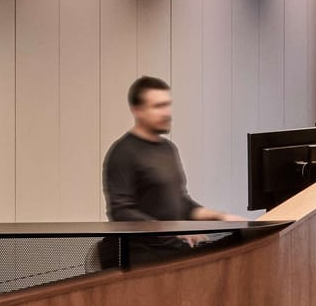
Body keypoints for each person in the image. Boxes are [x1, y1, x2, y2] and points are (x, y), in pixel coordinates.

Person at [102, 75, 245, 263]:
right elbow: (121, 212)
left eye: (167, 105)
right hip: (143, 257)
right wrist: (173, 232)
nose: (166, 112)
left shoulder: (168, 149)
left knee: (238, 241)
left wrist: (221, 217)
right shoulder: (123, 153)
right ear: (137, 110)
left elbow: (182, 203)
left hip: (174, 248)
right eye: (158, 107)